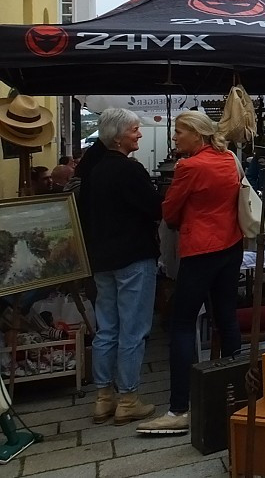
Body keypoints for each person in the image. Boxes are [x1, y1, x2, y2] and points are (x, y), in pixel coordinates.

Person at [138, 110, 242, 435]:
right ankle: (236, 397)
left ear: (197, 134)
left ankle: (180, 409)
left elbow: (169, 211)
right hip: (231, 245)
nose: (174, 138)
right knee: (226, 318)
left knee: (181, 324)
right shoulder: (227, 159)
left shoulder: (189, 166)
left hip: (200, 250)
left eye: (179, 132)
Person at [77, 109, 161, 425]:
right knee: (133, 330)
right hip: (132, 258)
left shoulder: (95, 171)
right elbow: (155, 209)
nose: (139, 134)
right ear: (118, 136)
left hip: (102, 260)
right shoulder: (130, 170)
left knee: (106, 329)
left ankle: (103, 398)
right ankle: (127, 399)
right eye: (135, 130)